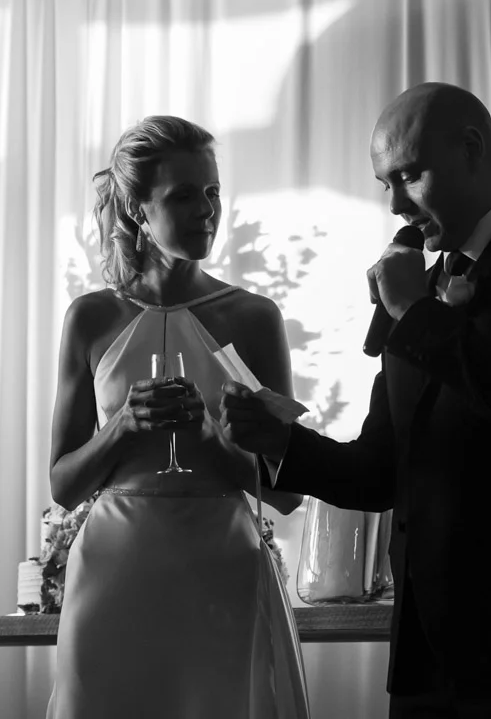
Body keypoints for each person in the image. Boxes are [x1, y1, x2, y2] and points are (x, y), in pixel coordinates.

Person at [222, 83, 491, 718]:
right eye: (385, 184)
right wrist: (279, 443)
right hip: (428, 658)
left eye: (408, 176)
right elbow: (380, 471)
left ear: (471, 149)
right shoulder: (416, 294)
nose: (396, 204)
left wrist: (417, 314)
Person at [46, 115, 308, 719]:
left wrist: (211, 440)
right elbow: (63, 485)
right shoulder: (90, 318)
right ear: (136, 210)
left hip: (222, 569)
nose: (207, 210)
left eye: (212, 191)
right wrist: (122, 427)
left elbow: (287, 491)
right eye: (184, 195)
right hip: (115, 568)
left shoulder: (254, 317)